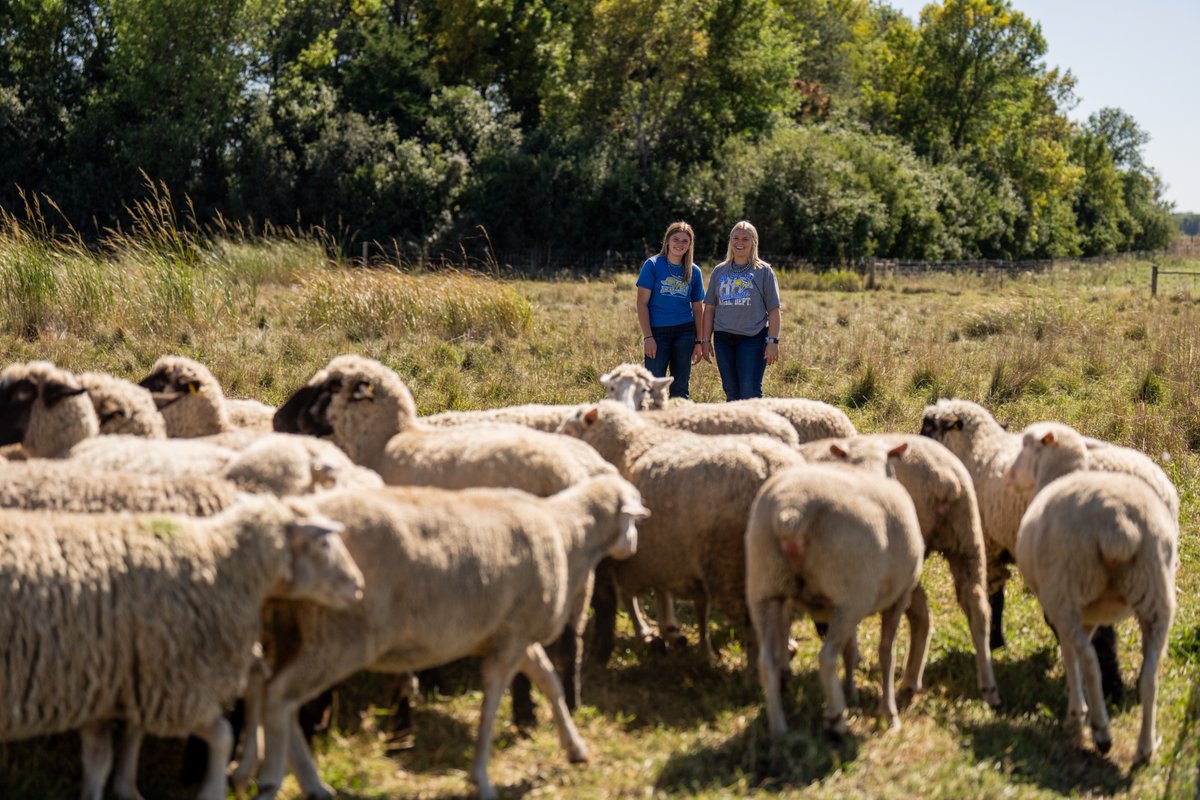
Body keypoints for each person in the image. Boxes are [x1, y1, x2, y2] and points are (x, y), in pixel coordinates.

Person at [701, 220, 781, 401]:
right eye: (735, 238)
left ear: (754, 241)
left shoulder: (763, 271)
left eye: (745, 238)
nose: (740, 242)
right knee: (731, 391)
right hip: (723, 339)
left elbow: (774, 310)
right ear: (730, 241)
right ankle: (735, 428)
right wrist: (705, 340)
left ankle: (755, 428)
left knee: (749, 391)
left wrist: (773, 341)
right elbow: (710, 308)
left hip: (753, 338)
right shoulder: (719, 271)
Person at [636, 221, 706, 400]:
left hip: (685, 332)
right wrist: (648, 337)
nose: (680, 244)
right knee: (652, 385)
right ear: (667, 240)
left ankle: (677, 422)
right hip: (657, 333)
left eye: (685, 241)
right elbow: (641, 303)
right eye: (676, 239)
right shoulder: (652, 265)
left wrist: (699, 341)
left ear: (690, 245)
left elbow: (698, 309)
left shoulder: (694, 271)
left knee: (680, 388)